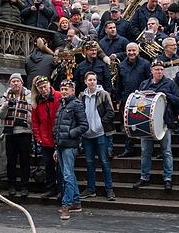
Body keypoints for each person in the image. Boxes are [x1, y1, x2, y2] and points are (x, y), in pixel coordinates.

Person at [134, 59, 179, 191]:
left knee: (166, 152)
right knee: (145, 152)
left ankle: (168, 179)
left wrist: (166, 95)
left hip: (164, 123)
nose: (159, 72)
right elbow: (138, 103)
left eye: (161, 69)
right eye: (157, 69)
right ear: (151, 71)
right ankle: (144, 177)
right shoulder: (144, 84)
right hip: (146, 123)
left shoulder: (170, 83)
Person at [53, 79, 88, 220]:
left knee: (67, 176)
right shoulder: (62, 105)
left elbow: (84, 125)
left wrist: (70, 134)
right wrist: (56, 147)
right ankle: (76, 202)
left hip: (70, 145)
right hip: (61, 145)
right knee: (68, 175)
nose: (63, 92)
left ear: (72, 90)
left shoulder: (76, 104)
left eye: (66, 89)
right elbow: (57, 127)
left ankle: (66, 205)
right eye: (62, 89)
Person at [79, 71, 116, 201]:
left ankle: (109, 189)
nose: (92, 82)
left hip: (100, 133)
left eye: (94, 80)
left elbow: (111, 112)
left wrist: (100, 123)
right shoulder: (82, 96)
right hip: (87, 135)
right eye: (90, 80)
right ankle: (91, 189)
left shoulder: (103, 94)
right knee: (89, 163)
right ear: (85, 82)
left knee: (104, 161)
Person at [0, 73, 33, 198]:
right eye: (13, 81)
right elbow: (1, 115)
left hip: (25, 132)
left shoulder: (29, 95)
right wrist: (6, 105)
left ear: (22, 83)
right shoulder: (6, 96)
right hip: (10, 133)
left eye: (18, 81)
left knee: (25, 160)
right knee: (11, 161)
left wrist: (25, 118)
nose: (15, 83)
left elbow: (33, 112)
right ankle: (11, 185)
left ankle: (25, 186)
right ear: (9, 84)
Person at [115, 43, 151, 158]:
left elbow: (149, 81)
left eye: (134, 50)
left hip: (142, 99)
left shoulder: (145, 64)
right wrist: (118, 99)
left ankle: (145, 151)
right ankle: (129, 148)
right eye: (129, 50)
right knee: (127, 125)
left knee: (142, 123)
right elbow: (119, 84)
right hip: (126, 99)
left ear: (138, 51)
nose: (131, 53)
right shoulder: (121, 65)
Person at [31, 76, 62, 199]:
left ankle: (61, 190)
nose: (44, 90)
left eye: (45, 87)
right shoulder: (37, 101)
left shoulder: (59, 96)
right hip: (45, 139)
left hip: (58, 137)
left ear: (49, 85)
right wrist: (38, 137)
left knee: (60, 167)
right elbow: (35, 121)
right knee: (48, 166)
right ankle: (51, 189)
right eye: (41, 88)